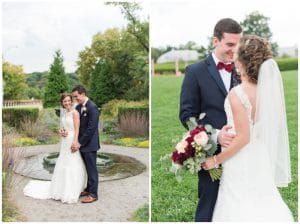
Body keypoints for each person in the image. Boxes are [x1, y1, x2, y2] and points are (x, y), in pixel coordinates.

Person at [203, 35, 293, 221]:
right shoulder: (268, 91)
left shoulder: (238, 94)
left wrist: (216, 159)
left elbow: (244, 137)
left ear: (242, 59)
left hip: (240, 161)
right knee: (263, 201)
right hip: (260, 157)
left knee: (239, 205)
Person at [179, 18, 242, 221]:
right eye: (230, 45)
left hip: (242, 149)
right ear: (215, 40)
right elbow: (187, 115)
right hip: (210, 151)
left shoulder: (243, 71)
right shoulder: (195, 72)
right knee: (209, 201)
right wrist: (214, 136)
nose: (234, 50)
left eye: (238, 45)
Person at [24, 93, 87, 203]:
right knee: (63, 160)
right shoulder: (64, 113)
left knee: (73, 161)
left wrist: (75, 142)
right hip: (64, 141)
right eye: (64, 101)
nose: (67, 103)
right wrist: (61, 132)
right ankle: (61, 187)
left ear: (71, 101)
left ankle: (72, 189)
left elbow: (77, 129)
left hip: (72, 139)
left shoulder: (75, 113)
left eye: (68, 101)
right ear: (62, 103)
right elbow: (63, 127)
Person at [71, 85, 100, 203]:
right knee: (86, 168)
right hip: (82, 144)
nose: (75, 99)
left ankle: (93, 194)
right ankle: (88, 189)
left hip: (90, 144)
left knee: (92, 170)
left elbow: (91, 129)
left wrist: (79, 143)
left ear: (83, 94)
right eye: (74, 97)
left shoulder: (93, 107)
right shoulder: (78, 107)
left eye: (76, 96)